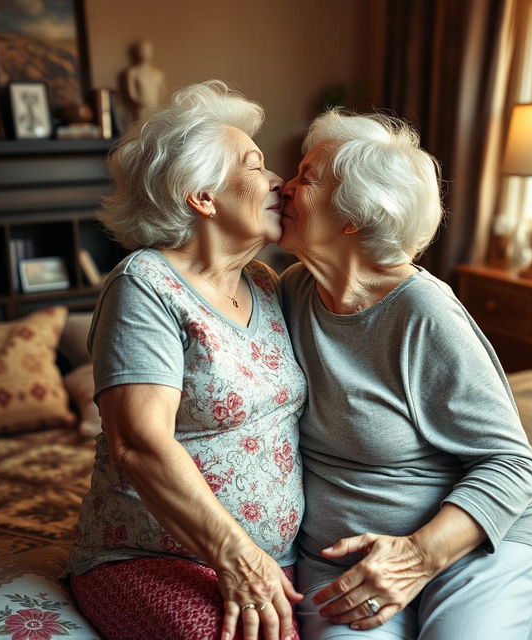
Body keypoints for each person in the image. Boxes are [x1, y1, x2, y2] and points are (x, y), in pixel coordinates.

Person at [278, 109, 532, 640]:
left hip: (471, 551)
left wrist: (418, 556)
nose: (282, 186)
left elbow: (513, 464)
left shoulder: (423, 313)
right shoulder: (289, 293)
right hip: (346, 569)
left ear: (353, 215)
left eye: (306, 178)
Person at [68, 80, 306, 640]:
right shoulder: (145, 284)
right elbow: (140, 444)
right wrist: (238, 555)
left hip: (277, 560)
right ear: (203, 195)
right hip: (154, 558)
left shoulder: (267, 284)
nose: (278, 181)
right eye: (255, 165)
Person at [125, 39, 167, 120]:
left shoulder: (158, 73)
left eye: (147, 50)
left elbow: (162, 92)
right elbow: (132, 94)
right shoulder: (133, 72)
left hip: (155, 107)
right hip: (141, 110)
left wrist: (153, 102)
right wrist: (143, 102)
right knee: (140, 128)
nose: (145, 53)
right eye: (142, 50)